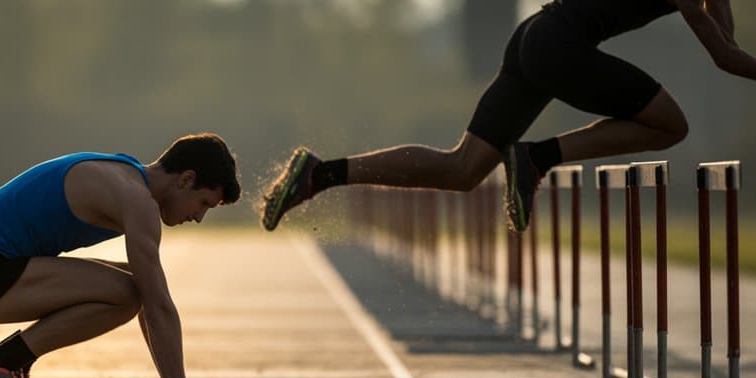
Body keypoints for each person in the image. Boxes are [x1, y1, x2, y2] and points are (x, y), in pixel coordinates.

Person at [262, 0, 756, 233]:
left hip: (535, 36)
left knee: (463, 170)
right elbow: (725, 57)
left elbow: (726, 37)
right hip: (557, 46)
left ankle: (320, 173)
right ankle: (537, 157)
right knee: (672, 125)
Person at [0, 133, 240, 378]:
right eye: (203, 203)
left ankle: (8, 363)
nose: (199, 216)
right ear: (186, 180)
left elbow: (153, 303)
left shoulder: (126, 176)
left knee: (133, 282)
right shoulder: (137, 200)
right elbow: (158, 304)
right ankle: (2, 364)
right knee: (129, 292)